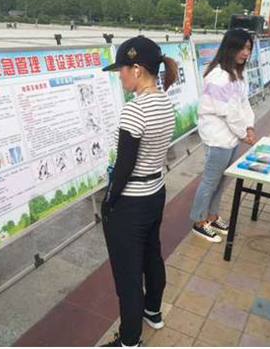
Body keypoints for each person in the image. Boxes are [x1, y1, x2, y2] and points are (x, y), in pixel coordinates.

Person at [100, 36, 177, 347]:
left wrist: (109, 201)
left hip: (130, 202)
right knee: (151, 256)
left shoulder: (135, 110)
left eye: (122, 69)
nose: (119, 76)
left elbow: (123, 167)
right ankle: (153, 311)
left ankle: (129, 340)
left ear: (136, 69)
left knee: (128, 275)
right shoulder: (165, 102)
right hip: (155, 192)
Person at [189, 28, 256, 243]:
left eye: (248, 48)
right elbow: (227, 111)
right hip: (217, 137)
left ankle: (212, 215)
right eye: (241, 47)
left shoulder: (238, 74)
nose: (245, 52)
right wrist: (244, 133)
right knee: (210, 181)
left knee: (221, 180)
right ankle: (199, 222)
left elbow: (243, 103)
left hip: (231, 137)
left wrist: (250, 126)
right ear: (229, 47)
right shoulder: (218, 76)